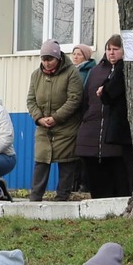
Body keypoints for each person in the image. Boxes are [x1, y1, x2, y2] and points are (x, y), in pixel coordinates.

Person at [72, 37, 132, 200]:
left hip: (116, 133)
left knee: (119, 176)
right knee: (96, 176)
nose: (111, 53)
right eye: (108, 49)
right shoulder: (97, 71)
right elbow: (86, 101)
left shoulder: (127, 69)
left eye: (115, 49)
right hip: (92, 129)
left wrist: (105, 91)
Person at [25, 39, 84, 203]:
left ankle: (62, 198)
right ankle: (35, 198)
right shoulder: (36, 75)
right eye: (43, 59)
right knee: (41, 162)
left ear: (58, 58)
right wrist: (39, 118)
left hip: (66, 128)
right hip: (43, 128)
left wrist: (56, 117)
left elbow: (75, 99)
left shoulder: (72, 73)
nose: (46, 63)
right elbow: (31, 100)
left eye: (50, 59)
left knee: (66, 163)